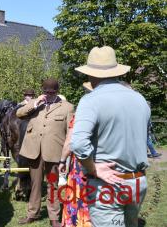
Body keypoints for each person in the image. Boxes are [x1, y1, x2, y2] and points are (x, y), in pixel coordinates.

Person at [71, 46, 150, 227]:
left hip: (107, 184)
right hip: (138, 183)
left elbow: (78, 144)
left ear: (91, 74)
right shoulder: (139, 99)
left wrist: (93, 169)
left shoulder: (91, 100)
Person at [17, 79, 74, 227]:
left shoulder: (67, 107)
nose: (49, 95)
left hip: (54, 152)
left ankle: (53, 217)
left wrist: (65, 155)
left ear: (57, 91)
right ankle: (32, 213)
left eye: (52, 92)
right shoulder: (36, 104)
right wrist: (36, 102)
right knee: (35, 184)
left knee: (52, 184)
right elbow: (19, 113)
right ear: (42, 91)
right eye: (46, 92)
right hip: (34, 151)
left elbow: (70, 132)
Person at [59, 82, 93, 227]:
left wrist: (62, 160)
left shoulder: (82, 113)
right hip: (104, 162)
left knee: (78, 195)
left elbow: (70, 142)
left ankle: (78, 222)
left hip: (81, 163)